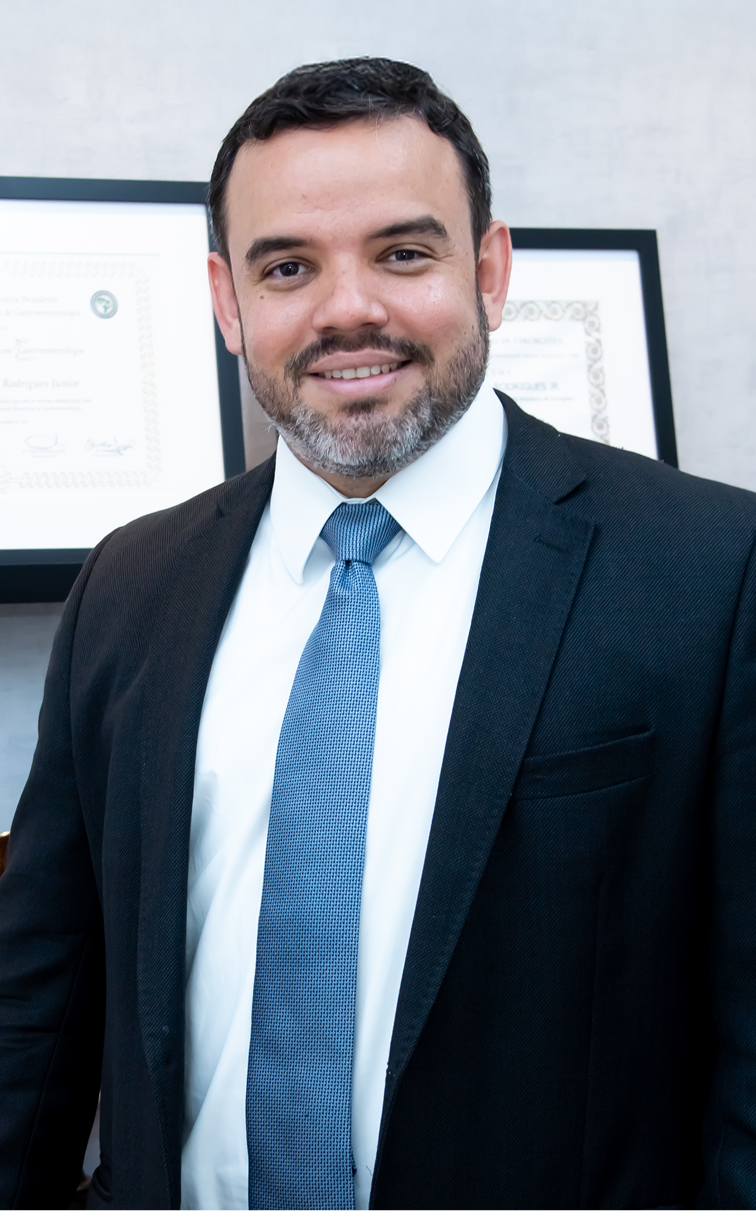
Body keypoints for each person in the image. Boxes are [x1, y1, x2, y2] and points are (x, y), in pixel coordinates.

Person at [0, 56, 755, 1211]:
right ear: (227, 301)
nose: (347, 307)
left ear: (490, 270)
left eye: (403, 253)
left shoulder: (708, 570)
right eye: (288, 266)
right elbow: (38, 1003)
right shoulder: (132, 583)